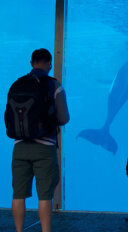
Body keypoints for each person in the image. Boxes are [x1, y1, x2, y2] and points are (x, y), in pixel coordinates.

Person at [8, 49, 70, 232]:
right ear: (49, 64)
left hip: (19, 147)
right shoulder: (54, 85)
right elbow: (64, 118)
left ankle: (18, 230)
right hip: (44, 148)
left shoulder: (16, 85)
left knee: (18, 194)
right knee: (44, 196)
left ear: (31, 63)